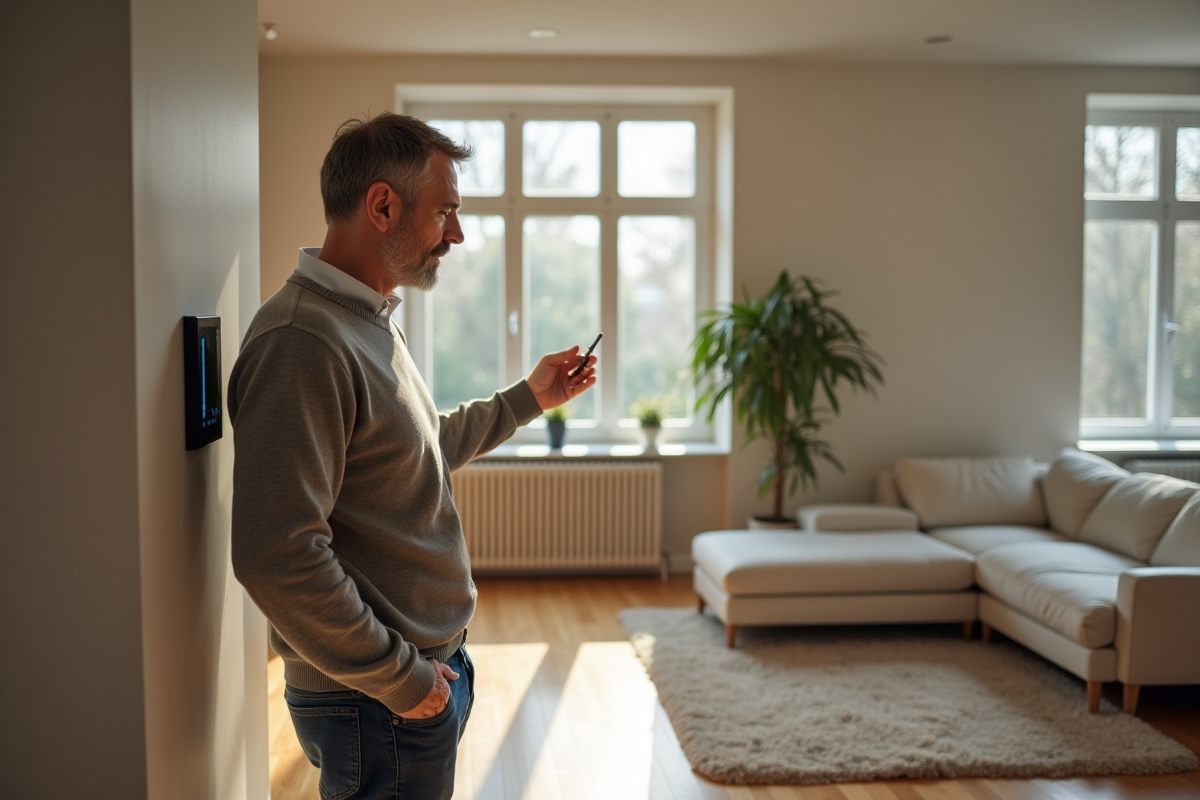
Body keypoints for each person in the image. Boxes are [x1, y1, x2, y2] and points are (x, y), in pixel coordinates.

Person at [229, 112, 596, 799]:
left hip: (412, 682)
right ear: (382, 206)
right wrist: (401, 678)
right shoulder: (302, 341)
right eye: (445, 212)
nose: (456, 235)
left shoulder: (365, 320)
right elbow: (275, 553)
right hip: (375, 701)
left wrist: (529, 398)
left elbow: (416, 454)